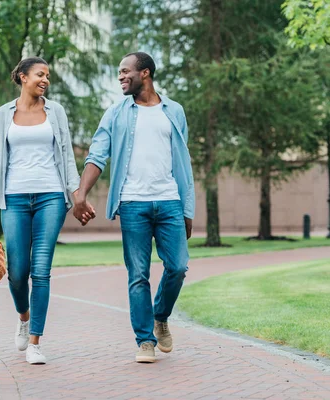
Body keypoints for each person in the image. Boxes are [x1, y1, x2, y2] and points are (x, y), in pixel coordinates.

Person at [73, 52, 195, 363]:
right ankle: (145, 341)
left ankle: (160, 316)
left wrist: (187, 209)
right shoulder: (115, 113)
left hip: (169, 201)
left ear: (146, 73)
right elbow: (97, 154)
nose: (121, 77)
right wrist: (81, 193)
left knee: (178, 267)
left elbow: (183, 163)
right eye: (119, 73)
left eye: (126, 71)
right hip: (132, 204)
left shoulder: (175, 112)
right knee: (138, 274)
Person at [0, 57, 94, 365]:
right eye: (40, 75)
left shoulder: (56, 112)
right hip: (13, 199)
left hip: (50, 197)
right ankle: (24, 317)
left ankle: (36, 342)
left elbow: (67, 157)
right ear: (23, 77)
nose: (45, 80)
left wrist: (76, 196)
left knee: (41, 270)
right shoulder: (4, 114)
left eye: (48, 76)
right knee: (16, 273)